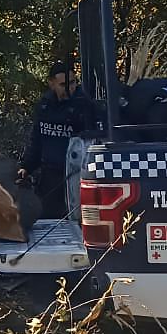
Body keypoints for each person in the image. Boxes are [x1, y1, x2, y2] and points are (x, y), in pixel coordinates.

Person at [17, 61, 97, 220]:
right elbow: (37, 140)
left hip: (76, 176)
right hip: (50, 177)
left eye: (72, 83)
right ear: (51, 84)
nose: (69, 89)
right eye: (62, 85)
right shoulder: (44, 106)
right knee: (48, 222)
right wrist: (27, 167)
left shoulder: (85, 107)